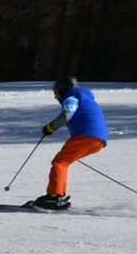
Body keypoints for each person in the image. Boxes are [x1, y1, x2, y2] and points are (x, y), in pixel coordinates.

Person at [34, 77, 108, 210]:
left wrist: (50, 128)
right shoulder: (84, 96)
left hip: (87, 135)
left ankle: (54, 197)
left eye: (56, 92)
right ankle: (57, 196)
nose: (55, 96)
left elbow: (67, 114)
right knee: (63, 162)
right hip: (99, 139)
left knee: (59, 162)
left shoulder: (72, 97)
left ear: (63, 89)